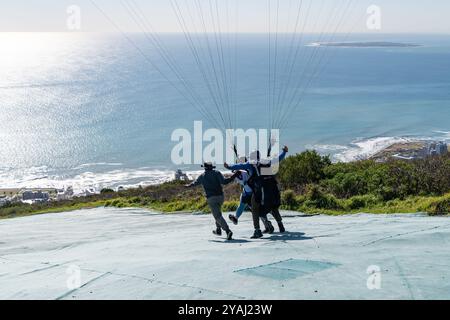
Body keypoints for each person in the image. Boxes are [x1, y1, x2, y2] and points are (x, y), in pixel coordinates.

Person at [225, 146, 288, 239]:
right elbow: (277, 159)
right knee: (272, 207)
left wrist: (229, 166)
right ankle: (280, 225)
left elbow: (239, 166)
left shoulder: (251, 164)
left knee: (255, 209)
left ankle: (257, 231)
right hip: (270, 189)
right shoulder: (265, 162)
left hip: (258, 190)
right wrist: (284, 152)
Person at [186, 162, 234, 241]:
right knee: (218, 213)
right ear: (212, 167)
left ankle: (228, 231)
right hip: (220, 197)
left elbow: (195, 183)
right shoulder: (217, 173)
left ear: (204, 168)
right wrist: (234, 176)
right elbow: (224, 182)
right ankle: (218, 229)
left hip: (211, 198)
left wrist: (188, 186)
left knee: (217, 216)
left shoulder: (202, 176)